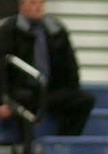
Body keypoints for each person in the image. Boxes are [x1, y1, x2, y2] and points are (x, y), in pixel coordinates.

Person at [0, 0, 94, 136]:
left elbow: (71, 67)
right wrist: (3, 100)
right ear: (22, 6)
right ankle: (27, 150)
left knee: (84, 100)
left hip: (49, 91)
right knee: (23, 103)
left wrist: (72, 88)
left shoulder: (56, 29)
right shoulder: (9, 30)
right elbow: (2, 69)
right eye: (33, 3)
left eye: (41, 3)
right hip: (22, 91)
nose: (38, 7)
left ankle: (62, 145)